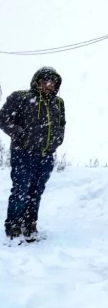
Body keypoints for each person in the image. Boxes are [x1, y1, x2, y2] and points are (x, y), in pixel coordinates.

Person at [1, 67, 66, 242]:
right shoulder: (21, 97)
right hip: (23, 152)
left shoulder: (58, 103)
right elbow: (3, 118)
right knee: (21, 189)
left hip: (45, 155)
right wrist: (20, 133)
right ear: (37, 81)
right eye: (45, 81)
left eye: (52, 82)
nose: (48, 85)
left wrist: (56, 141)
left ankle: (30, 223)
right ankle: (13, 225)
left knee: (36, 191)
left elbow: (61, 125)